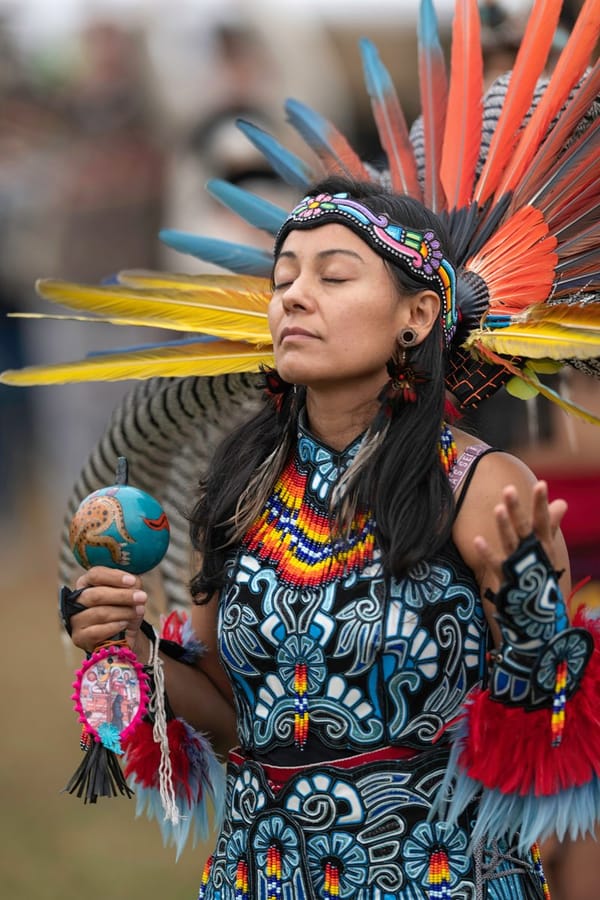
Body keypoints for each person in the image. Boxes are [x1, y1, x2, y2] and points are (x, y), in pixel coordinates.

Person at [62, 176, 593, 899]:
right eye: (283, 280)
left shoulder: (479, 488)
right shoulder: (241, 488)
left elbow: (550, 737)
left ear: (417, 315)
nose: (294, 297)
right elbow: (231, 717)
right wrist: (133, 645)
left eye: (333, 276)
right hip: (261, 876)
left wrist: (536, 629)